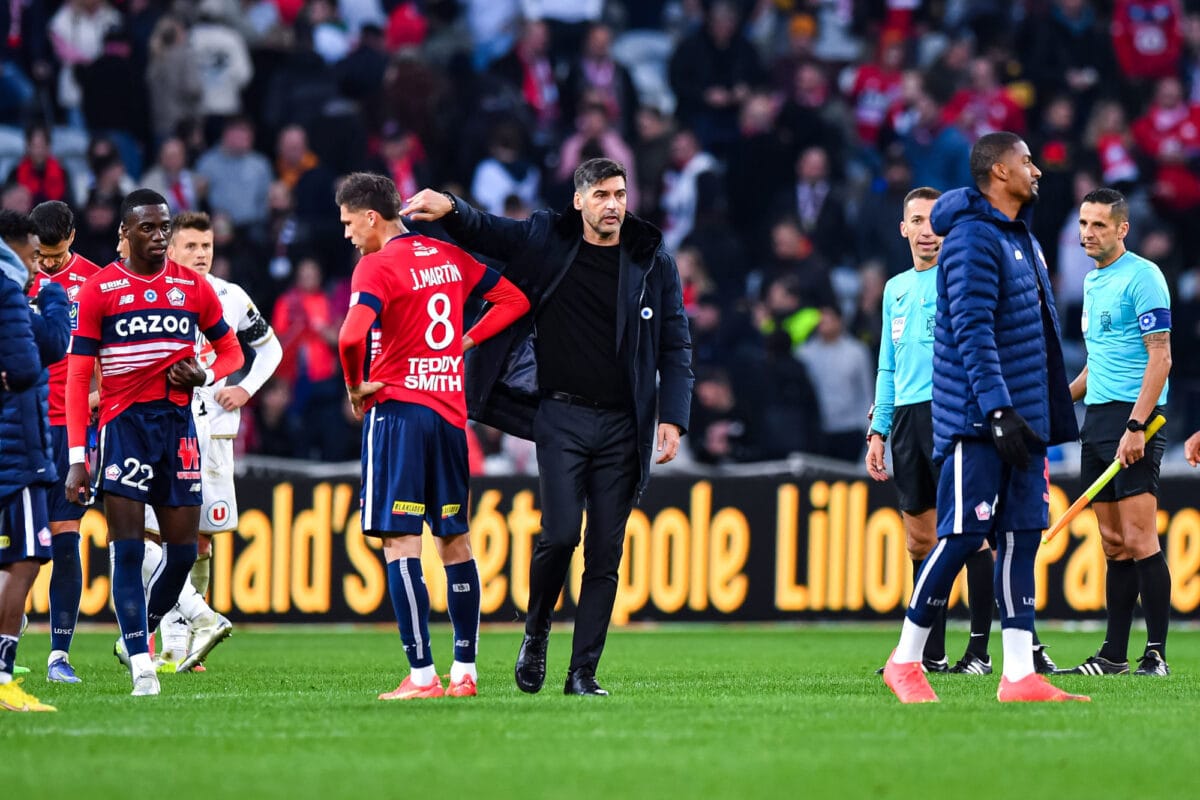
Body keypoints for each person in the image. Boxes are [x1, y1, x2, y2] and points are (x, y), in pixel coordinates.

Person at [400, 157, 694, 696]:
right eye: (602, 195)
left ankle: (583, 673)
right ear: (578, 200)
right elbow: (494, 231)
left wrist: (672, 417)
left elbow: (675, 344)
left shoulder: (652, 261)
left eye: (621, 194)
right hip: (561, 415)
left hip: (625, 425)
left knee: (605, 554)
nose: (613, 205)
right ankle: (535, 632)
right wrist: (451, 206)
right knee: (558, 536)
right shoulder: (547, 237)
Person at [881, 132, 1087, 704]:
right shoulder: (973, 237)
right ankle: (905, 660)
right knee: (963, 534)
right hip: (981, 420)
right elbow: (969, 329)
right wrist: (996, 409)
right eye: (1026, 161)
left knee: (1023, 536)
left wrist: (1030, 413)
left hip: (1023, 418)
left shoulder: (1019, 236)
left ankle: (1019, 674)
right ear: (999, 171)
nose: (1037, 170)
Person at [335, 172, 529, 700]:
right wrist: (465, 340)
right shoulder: (446, 254)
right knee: (455, 542)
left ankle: (422, 676)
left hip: (397, 411)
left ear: (371, 216)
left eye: (350, 223)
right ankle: (465, 671)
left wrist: (355, 388)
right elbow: (513, 300)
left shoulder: (375, 266)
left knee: (401, 544)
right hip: (449, 416)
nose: (349, 235)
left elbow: (351, 334)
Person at [63, 189, 245, 697]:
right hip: (124, 428)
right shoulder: (99, 290)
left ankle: (135, 632)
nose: (160, 235)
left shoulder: (192, 287)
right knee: (126, 551)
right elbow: (79, 380)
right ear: (125, 233)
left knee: (184, 553)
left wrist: (205, 371)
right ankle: (143, 662)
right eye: (148, 227)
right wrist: (79, 457)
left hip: (180, 427)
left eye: (164, 226)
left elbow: (231, 352)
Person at [141, 211, 282, 673]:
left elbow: (271, 349)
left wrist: (244, 389)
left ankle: (189, 643)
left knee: (199, 540)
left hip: (212, 432)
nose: (201, 254)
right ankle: (176, 639)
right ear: (171, 248)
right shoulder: (151, 292)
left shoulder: (231, 297)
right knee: (151, 535)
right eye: (192, 247)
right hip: (157, 426)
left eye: (207, 247)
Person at [868, 186, 992, 673]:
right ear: (903, 228)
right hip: (907, 419)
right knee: (920, 541)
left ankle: (979, 652)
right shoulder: (895, 289)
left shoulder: (963, 279)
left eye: (933, 221)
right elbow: (887, 366)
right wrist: (878, 429)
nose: (926, 231)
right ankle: (931, 652)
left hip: (956, 412)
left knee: (973, 535)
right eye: (916, 221)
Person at [1059, 188, 1173, 677]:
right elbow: (1098, 363)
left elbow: (1160, 356)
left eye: (1099, 225)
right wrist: (1059, 404)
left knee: (1140, 536)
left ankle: (1157, 654)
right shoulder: (1092, 282)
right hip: (1099, 419)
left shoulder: (1144, 277)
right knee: (1111, 542)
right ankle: (1112, 655)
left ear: (1122, 229)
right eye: (1084, 224)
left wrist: (1137, 426)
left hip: (1134, 417)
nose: (1088, 233)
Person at [27, 201, 102, 684]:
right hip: (23, 428)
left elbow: (112, 358)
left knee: (65, 542)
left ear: (72, 236)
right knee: (15, 547)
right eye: (42, 255)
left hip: (70, 433)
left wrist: (95, 398)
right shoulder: (16, 279)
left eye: (56, 255)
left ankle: (58, 655)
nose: (49, 264)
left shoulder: (97, 282)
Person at [0, 215, 69, 712]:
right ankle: (2, 675)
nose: (34, 267)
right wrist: (52, 298)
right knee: (26, 558)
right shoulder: (7, 291)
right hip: (17, 449)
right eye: (29, 258)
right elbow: (31, 363)